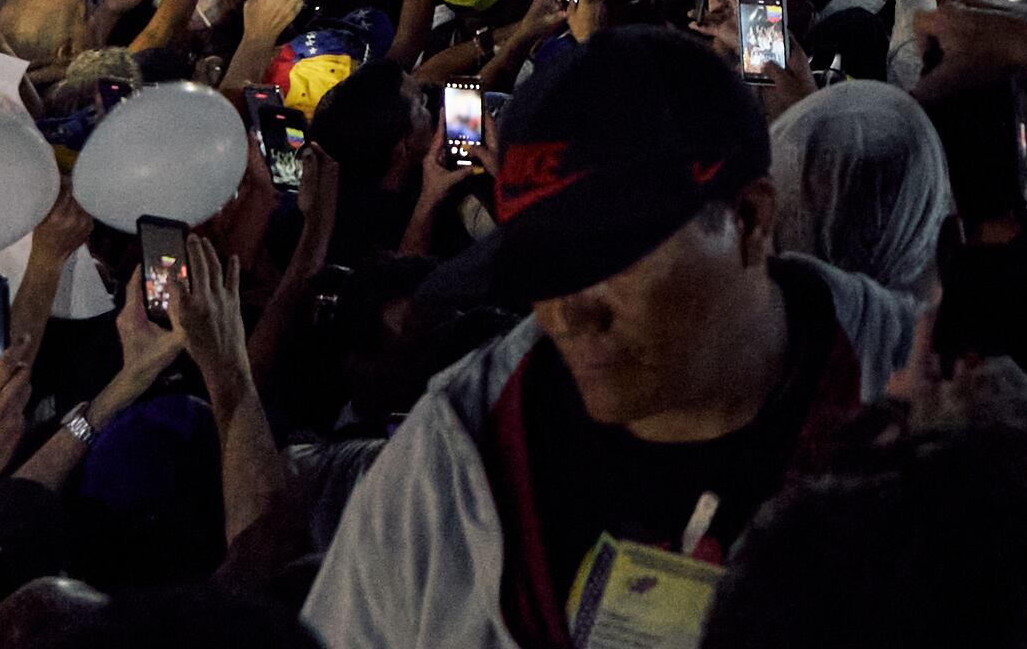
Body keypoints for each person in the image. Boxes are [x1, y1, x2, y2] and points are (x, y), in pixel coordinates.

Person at [307, 32, 920, 649]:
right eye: (540, 274)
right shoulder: (450, 465)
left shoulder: (933, 409)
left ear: (750, 219)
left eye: (608, 262)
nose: (566, 316)